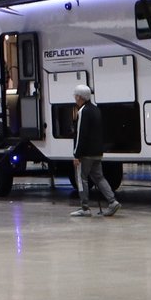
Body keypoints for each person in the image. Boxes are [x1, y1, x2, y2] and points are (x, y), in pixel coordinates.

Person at [66, 85, 121, 219]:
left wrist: (76, 154)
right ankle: (112, 201)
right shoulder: (96, 109)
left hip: (85, 154)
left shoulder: (82, 111)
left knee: (81, 179)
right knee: (99, 177)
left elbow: (81, 134)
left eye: (75, 96)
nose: (75, 98)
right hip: (97, 152)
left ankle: (85, 208)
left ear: (79, 97)